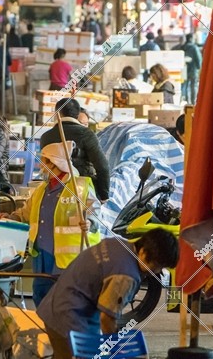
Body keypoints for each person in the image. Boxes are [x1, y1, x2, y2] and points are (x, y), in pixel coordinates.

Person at [37, 231, 179, 359]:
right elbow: (107, 319)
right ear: (143, 251)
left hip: (55, 304)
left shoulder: (117, 243)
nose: (156, 270)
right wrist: (113, 348)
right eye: (157, 265)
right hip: (69, 318)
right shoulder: (126, 276)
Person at [10, 141, 101, 303]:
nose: (41, 166)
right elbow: (25, 213)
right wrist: (10, 217)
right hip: (41, 258)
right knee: (41, 299)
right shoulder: (41, 190)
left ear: (55, 163)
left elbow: (95, 212)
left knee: (64, 303)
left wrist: (89, 222)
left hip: (67, 262)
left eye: (44, 162)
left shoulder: (79, 187)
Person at [40, 97, 111, 201]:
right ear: (78, 115)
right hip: (82, 192)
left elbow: (44, 169)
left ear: (57, 114)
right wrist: (103, 196)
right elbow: (103, 167)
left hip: (54, 192)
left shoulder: (46, 137)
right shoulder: (86, 134)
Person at [174, 32, 202, 104]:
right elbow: (198, 59)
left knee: (184, 86)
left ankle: (186, 101)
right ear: (191, 38)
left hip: (184, 70)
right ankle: (193, 102)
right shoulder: (194, 47)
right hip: (193, 70)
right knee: (193, 86)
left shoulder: (182, 47)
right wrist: (199, 67)